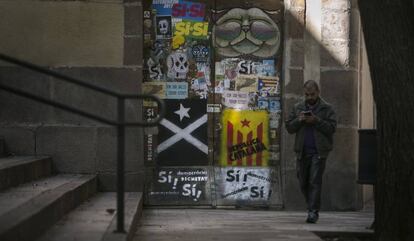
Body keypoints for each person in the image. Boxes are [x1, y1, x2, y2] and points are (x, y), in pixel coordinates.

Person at [285, 80, 337, 223]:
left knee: (314, 181)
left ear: (318, 92)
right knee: (303, 182)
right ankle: (311, 206)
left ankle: (313, 212)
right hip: (301, 152)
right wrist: (299, 120)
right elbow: (289, 127)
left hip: (319, 152)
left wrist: (316, 121)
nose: (309, 97)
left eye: (312, 94)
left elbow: (332, 129)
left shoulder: (327, 108)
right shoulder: (298, 107)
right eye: (307, 94)